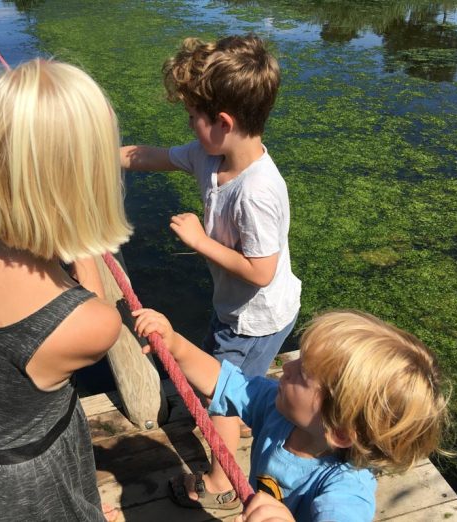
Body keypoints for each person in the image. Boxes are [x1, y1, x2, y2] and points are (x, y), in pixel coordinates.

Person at [0, 58, 132, 521]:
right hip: (29, 488)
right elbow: (94, 308)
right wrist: (83, 233)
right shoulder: (89, 323)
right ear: (86, 178)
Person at [121, 34, 302, 509]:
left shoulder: (259, 191)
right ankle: (244, 413)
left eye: (192, 117)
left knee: (223, 394)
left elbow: (261, 272)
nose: (187, 125)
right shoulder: (210, 155)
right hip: (238, 310)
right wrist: (104, 155)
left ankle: (222, 483)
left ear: (222, 122)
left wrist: (201, 241)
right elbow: (156, 156)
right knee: (230, 375)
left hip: (256, 317)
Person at [132, 307, 450, 521]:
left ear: (338, 431)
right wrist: (176, 344)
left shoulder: (345, 489)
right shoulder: (277, 407)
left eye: (304, 373)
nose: (287, 365)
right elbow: (222, 381)